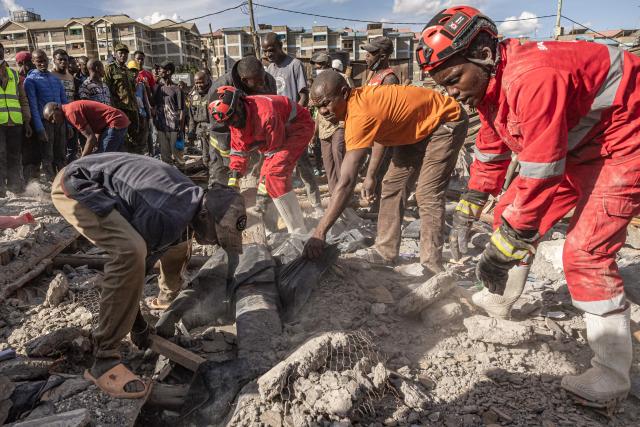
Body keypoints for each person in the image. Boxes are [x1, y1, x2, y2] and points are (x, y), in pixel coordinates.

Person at [418, 5, 640, 408]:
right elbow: (491, 144)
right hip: (582, 145)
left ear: (483, 52)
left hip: (626, 142)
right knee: (509, 217)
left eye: (453, 79)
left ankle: (611, 375)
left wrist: (508, 243)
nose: (451, 91)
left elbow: (540, 175)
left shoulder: (533, 77)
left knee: (585, 253)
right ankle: (501, 299)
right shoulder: (491, 82)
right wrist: (472, 202)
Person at [51, 152, 246, 399]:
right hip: (75, 185)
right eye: (216, 234)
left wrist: (139, 326)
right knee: (129, 250)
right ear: (205, 216)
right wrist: (139, 325)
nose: (214, 242)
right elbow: (135, 268)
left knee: (172, 244)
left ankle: (165, 297)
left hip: (94, 176)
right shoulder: (165, 215)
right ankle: (104, 360)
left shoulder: (192, 202)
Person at [304, 70, 467, 273]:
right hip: (414, 127)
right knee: (391, 185)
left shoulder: (360, 113)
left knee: (427, 193)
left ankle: (431, 264)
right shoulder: (359, 104)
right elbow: (382, 134)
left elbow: (346, 181)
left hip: (445, 121)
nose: (323, 111)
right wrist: (371, 176)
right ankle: (385, 251)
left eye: (327, 103)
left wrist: (319, 232)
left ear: (344, 93)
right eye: (318, 107)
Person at [210, 86, 314, 234]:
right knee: (264, 184)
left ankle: (299, 232)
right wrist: (233, 182)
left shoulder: (265, 114)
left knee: (275, 175)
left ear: (239, 104)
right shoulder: (234, 119)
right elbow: (238, 152)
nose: (232, 123)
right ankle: (271, 230)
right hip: (275, 139)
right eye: (228, 122)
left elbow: (275, 150)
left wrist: (265, 183)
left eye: (233, 118)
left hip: (298, 127)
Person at [262, 32, 322, 212]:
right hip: (276, 128)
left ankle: (316, 204)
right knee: (279, 169)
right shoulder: (269, 69)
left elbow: (303, 95)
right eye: (265, 51)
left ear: (280, 47)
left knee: (304, 167)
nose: (268, 54)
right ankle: (285, 207)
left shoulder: (295, 65)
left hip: (294, 126)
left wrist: (292, 118)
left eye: (271, 50)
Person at [207, 56, 277, 186]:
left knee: (254, 176)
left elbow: (271, 114)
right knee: (221, 177)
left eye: (263, 79)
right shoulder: (220, 88)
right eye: (259, 82)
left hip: (253, 138)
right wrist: (233, 163)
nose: (263, 84)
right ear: (244, 80)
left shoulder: (267, 80)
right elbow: (220, 128)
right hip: (223, 140)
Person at [24, 49, 68, 183]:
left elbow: (64, 103)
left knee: (61, 154)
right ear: (33, 62)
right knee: (47, 155)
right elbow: (33, 106)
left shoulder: (55, 79)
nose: (43, 64)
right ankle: (50, 183)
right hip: (45, 123)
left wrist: (69, 124)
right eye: (39, 61)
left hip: (60, 123)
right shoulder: (30, 80)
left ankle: (63, 182)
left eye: (44, 61)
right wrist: (39, 128)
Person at [311, 52, 348, 193]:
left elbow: (350, 100)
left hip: (340, 124)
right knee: (328, 164)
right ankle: (335, 195)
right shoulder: (316, 84)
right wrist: (314, 133)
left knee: (339, 155)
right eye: (316, 66)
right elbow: (317, 112)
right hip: (324, 129)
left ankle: (345, 193)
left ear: (328, 65)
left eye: (320, 66)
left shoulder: (341, 79)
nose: (317, 69)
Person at [0, 42, 32, 196]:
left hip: (15, 122)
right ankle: (0, 190)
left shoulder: (13, 74)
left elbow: (23, 100)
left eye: (0, 51)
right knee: (0, 155)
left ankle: (15, 188)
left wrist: (27, 121)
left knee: (14, 155)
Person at [43, 101, 129, 156]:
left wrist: (82, 160)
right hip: (119, 120)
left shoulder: (70, 113)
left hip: (115, 121)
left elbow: (91, 138)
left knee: (102, 159)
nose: (53, 122)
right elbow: (96, 129)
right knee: (118, 156)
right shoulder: (70, 109)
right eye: (51, 121)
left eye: (52, 118)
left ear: (57, 109)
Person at [105, 43, 141, 153]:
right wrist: (112, 109)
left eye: (125, 54)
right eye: (120, 53)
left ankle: (133, 160)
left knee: (135, 136)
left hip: (132, 108)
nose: (123, 56)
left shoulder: (129, 71)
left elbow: (133, 90)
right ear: (115, 54)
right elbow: (107, 89)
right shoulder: (110, 69)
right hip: (120, 108)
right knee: (121, 137)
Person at [153, 61, 185, 167]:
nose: (159, 71)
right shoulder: (158, 88)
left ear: (168, 72)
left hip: (175, 128)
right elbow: (154, 105)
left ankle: (183, 178)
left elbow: (182, 110)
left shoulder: (177, 89)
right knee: (165, 157)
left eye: (161, 69)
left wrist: (180, 129)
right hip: (162, 127)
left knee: (178, 156)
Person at [50, 49, 78, 163]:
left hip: (71, 114)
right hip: (58, 115)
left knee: (73, 147)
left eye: (65, 60)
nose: (63, 62)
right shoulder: (50, 75)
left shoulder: (70, 76)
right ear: (54, 60)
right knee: (60, 148)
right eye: (60, 59)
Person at [16, 51, 38, 182]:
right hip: (26, 120)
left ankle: (33, 178)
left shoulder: (31, 78)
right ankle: (28, 180)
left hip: (35, 119)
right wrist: (27, 122)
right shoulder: (19, 80)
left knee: (34, 151)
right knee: (28, 152)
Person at [187, 71, 212, 172]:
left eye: (201, 82)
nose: (198, 85)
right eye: (196, 83)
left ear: (207, 80)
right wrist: (191, 134)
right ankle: (209, 177)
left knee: (216, 155)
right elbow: (191, 117)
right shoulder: (193, 96)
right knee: (205, 155)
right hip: (201, 131)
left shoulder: (213, 93)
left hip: (214, 130)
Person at [127, 60, 151, 155]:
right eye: (131, 71)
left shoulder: (141, 86)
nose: (133, 73)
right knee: (132, 143)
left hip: (142, 116)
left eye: (135, 71)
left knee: (143, 143)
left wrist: (149, 117)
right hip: (131, 118)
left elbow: (146, 102)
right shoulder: (125, 86)